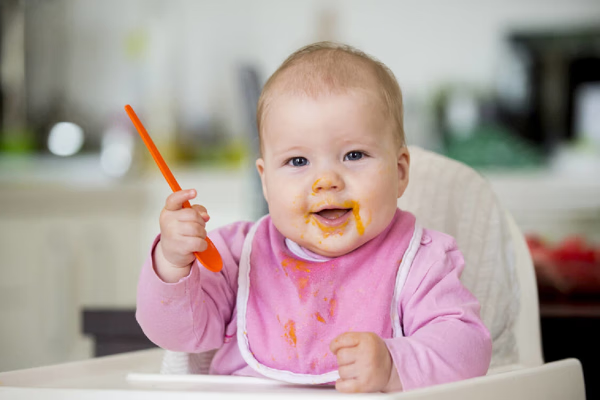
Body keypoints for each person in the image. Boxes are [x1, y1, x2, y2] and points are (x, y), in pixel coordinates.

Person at [136, 41, 492, 393]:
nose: (326, 182)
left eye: (353, 155)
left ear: (399, 172)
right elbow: (180, 335)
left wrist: (393, 364)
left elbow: (468, 348)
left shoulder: (420, 262)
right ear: (265, 180)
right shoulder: (237, 255)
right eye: (298, 162)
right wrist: (172, 263)